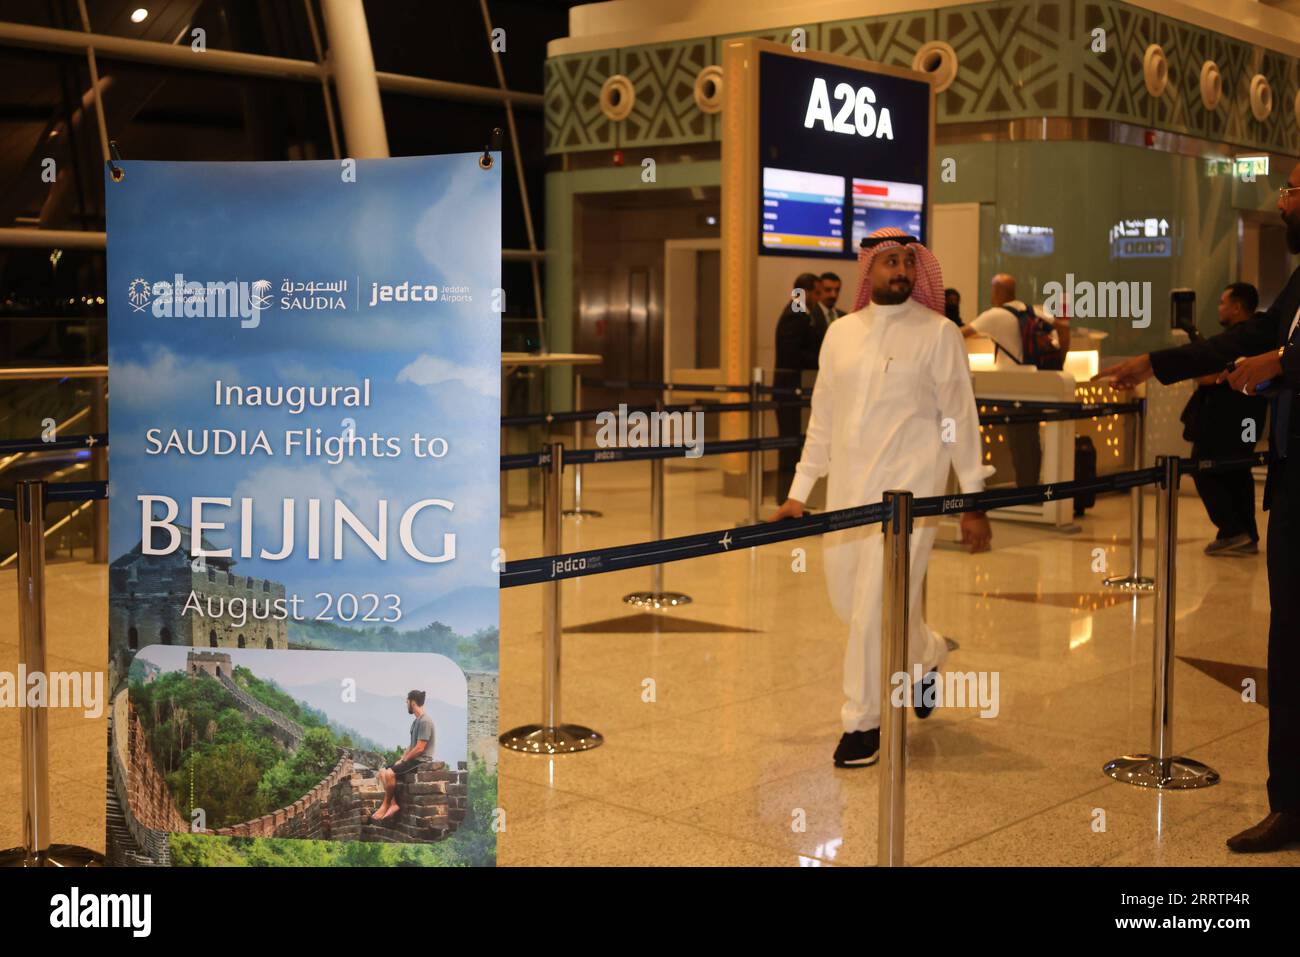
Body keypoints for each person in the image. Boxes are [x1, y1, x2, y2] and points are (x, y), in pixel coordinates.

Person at [1097, 160, 1300, 853]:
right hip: (1293, 479)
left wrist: (1284, 365)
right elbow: (1254, 335)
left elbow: (1275, 350)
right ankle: (1290, 804)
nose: (1282, 201)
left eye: (1294, 189)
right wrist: (1157, 361)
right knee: (1290, 643)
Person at [772, 227, 993, 768]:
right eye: (889, 262)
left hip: (909, 503)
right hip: (849, 500)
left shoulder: (938, 334)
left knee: (873, 610)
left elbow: (957, 421)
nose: (900, 271)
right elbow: (822, 421)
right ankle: (928, 652)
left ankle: (861, 725)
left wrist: (971, 500)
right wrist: (799, 492)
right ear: (868, 270)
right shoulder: (841, 334)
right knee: (853, 604)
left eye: (908, 263)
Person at [961, 273, 1071, 487]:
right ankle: (1030, 485)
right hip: (1036, 383)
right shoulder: (1030, 310)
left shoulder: (994, 315)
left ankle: (1025, 488)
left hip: (1010, 386)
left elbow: (957, 334)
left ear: (997, 291)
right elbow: (1063, 329)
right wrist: (1060, 363)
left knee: (1019, 439)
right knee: (1030, 437)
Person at [1183, 283, 1268, 555]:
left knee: (1204, 468)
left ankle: (1233, 530)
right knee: (1237, 472)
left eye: (1222, 302)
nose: (1219, 307)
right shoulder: (1253, 337)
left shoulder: (1239, 339)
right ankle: (1245, 533)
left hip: (1225, 421)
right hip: (1247, 420)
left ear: (1236, 307)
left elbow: (1208, 376)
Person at [775, 273, 827, 497]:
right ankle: (787, 496)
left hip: (793, 389)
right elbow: (792, 354)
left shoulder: (799, 312)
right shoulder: (796, 313)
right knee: (790, 447)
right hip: (789, 390)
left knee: (793, 446)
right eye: (816, 292)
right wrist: (823, 358)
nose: (819, 297)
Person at [372, 689, 436, 821]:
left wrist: (405, 760)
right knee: (382, 771)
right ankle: (393, 804)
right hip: (412, 760)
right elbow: (411, 746)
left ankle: (386, 805)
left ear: (413, 702)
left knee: (390, 773)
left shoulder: (425, 721)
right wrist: (401, 759)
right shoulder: (416, 722)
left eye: (407, 701)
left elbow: (419, 748)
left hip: (421, 761)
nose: (406, 703)